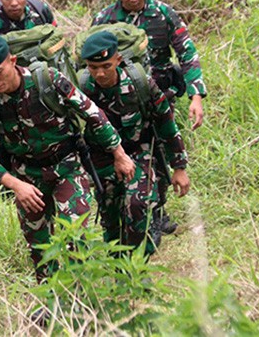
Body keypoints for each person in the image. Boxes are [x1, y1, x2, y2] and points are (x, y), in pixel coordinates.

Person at [0, 35, 134, 281]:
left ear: (12, 61)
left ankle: (82, 303)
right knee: (40, 249)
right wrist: (15, 184)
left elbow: (92, 112)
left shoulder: (46, 80)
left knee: (76, 240)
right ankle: (52, 304)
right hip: (27, 178)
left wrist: (119, 153)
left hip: (67, 168)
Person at [92, 0, 206, 232]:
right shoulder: (104, 20)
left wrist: (196, 95)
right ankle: (125, 212)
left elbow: (186, 52)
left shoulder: (164, 14)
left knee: (159, 151)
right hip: (118, 102)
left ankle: (158, 211)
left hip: (159, 96)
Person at [79, 31, 190, 254]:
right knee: (110, 213)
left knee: (139, 205)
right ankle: (118, 266)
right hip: (103, 156)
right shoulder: (82, 89)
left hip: (139, 150)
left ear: (118, 60)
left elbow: (165, 123)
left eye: (106, 66)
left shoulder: (141, 84)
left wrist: (179, 167)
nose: (100, 74)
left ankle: (140, 264)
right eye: (93, 67)